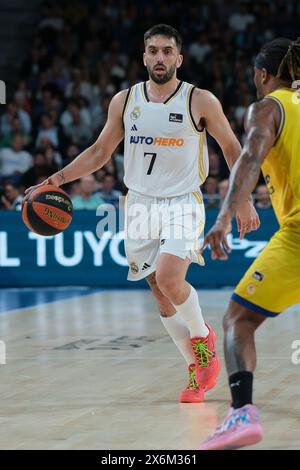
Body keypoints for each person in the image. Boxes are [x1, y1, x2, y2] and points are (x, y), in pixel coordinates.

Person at [25, 24, 259, 403]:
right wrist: (56, 179)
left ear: (179, 58)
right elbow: (101, 152)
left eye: (168, 51)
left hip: (182, 200)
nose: (160, 57)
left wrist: (244, 196)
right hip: (138, 203)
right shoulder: (125, 100)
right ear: (144, 56)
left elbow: (233, 148)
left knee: (169, 278)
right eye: (153, 51)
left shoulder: (199, 100)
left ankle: (204, 341)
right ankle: (195, 368)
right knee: (159, 293)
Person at [200, 37, 300, 450]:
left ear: (262, 75)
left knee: (238, 320)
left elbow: (249, 157)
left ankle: (241, 414)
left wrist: (223, 216)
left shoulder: (268, 107)